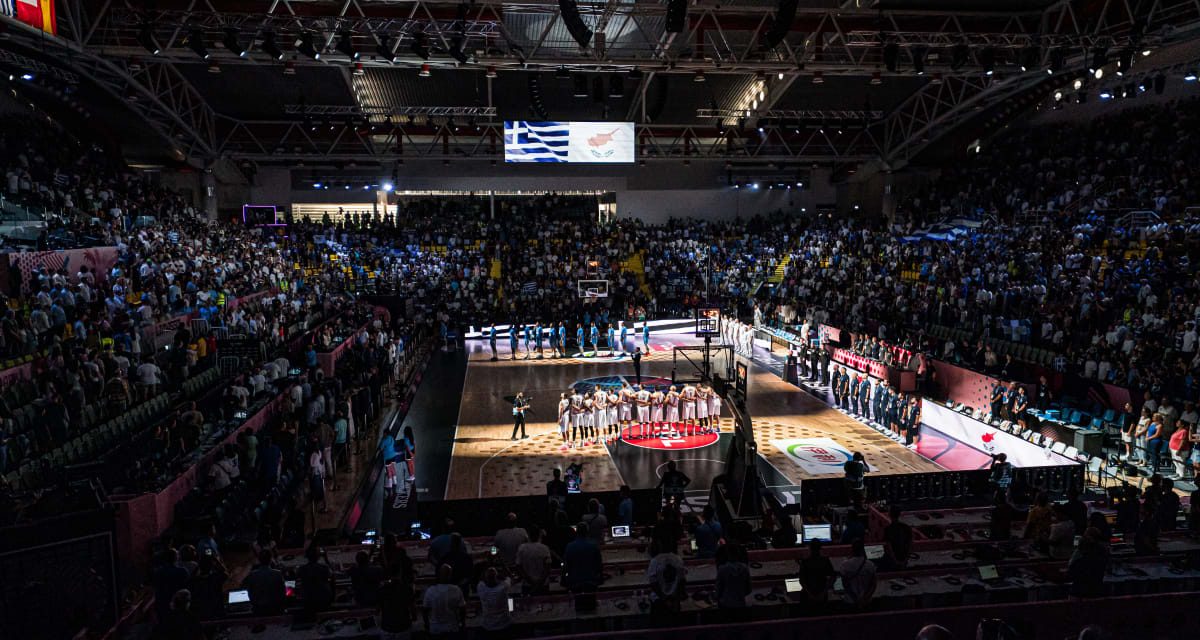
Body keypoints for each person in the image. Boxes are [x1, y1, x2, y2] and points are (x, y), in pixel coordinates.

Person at [422, 564, 466, 638]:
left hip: (435, 628)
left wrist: (427, 624)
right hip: (452, 628)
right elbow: (462, 609)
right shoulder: (456, 589)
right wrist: (462, 623)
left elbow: (425, 610)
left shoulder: (430, 590)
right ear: (450, 575)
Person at [646, 537, 687, 615]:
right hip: (674, 598)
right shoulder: (678, 559)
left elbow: (653, 583)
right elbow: (682, 581)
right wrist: (675, 597)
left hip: (659, 599)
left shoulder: (655, 561)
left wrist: (664, 599)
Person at [378, 562, 416, 640]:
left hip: (387, 626)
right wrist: (414, 618)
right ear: (400, 572)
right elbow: (412, 607)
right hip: (403, 626)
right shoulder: (407, 589)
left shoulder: (382, 589)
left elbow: (378, 609)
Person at [562, 524, 603, 594]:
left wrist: (563, 579)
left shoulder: (569, 546)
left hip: (575, 582)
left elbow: (566, 565)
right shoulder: (593, 545)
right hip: (591, 581)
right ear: (587, 532)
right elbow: (599, 564)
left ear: (576, 532)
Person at [1068, 528, 1109, 598]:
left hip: (1079, 592)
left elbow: (1070, 569)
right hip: (1096, 590)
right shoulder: (1102, 553)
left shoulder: (1079, 558)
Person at [242, 550, 286, 615]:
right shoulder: (278, 574)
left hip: (259, 610)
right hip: (276, 609)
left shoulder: (252, 575)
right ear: (271, 559)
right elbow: (282, 593)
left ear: (259, 560)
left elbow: (250, 593)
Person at [837, 539, 877, 610]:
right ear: (863, 549)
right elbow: (873, 585)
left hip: (850, 600)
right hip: (866, 601)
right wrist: (864, 599)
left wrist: (855, 599)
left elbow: (845, 585)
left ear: (852, 549)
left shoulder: (845, 565)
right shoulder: (871, 565)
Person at [714, 542, 751, 615]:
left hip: (725, 605)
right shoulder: (745, 568)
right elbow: (748, 589)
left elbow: (718, 590)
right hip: (741, 603)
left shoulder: (722, 569)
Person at [515, 527, 554, 594]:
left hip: (527, 584)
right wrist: (540, 581)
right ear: (539, 535)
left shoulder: (522, 548)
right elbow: (548, 567)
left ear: (528, 535)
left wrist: (529, 580)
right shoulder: (544, 548)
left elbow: (518, 566)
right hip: (543, 585)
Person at [797, 539, 836, 608]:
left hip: (807, 595)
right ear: (820, 548)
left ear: (809, 548)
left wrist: (809, 594)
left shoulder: (805, 562)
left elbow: (801, 580)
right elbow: (833, 577)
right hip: (822, 593)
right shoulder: (825, 561)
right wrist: (824, 592)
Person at [476, 567, 513, 636]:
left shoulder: (480, 587)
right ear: (497, 577)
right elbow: (509, 576)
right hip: (504, 624)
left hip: (487, 625)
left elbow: (480, 578)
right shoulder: (503, 587)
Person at [297, 545, 334, 613]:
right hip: (323, 597)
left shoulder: (302, 569)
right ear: (318, 556)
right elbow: (332, 574)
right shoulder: (324, 568)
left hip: (308, 597)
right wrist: (326, 559)